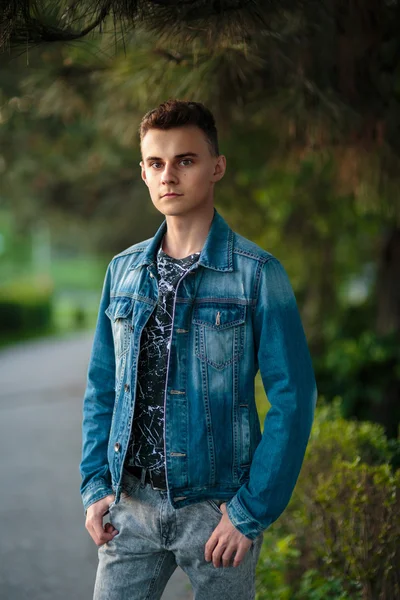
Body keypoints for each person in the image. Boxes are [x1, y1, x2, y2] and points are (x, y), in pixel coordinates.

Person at [80, 99, 317, 600]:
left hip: (216, 516)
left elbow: (293, 400)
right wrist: (96, 486)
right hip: (132, 508)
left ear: (217, 167)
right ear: (143, 173)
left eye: (185, 160)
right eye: (156, 163)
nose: (169, 175)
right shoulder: (122, 272)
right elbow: (103, 386)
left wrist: (250, 513)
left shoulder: (257, 274)